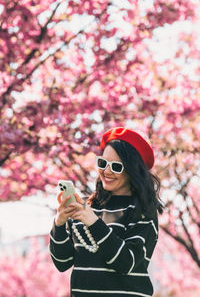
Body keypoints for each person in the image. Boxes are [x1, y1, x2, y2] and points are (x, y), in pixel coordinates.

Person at [49, 127, 164, 297]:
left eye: (116, 167)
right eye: (103, 163)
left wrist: (93, 223)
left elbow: (126, 262)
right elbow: (62, 262)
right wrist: (59, 223)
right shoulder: (87, 207)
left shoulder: (143, 212)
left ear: (132, 171)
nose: (106, 171)